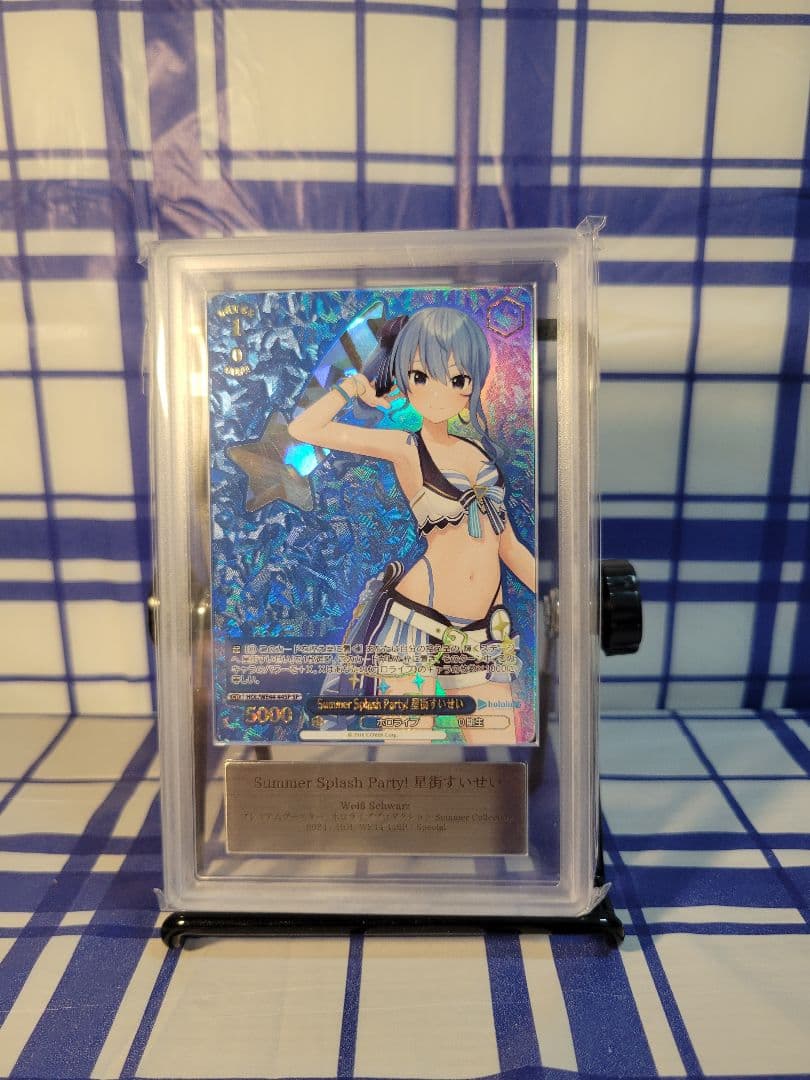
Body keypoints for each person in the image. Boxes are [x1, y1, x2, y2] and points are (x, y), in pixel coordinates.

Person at [288, 306, 535, 745]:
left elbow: (509, 546)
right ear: (404, 378)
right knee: (409, 753)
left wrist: (563, 599)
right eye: (422, 376)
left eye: (457, 379)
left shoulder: (480, 455)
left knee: (502, 754)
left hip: (483, 630)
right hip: (415, 624)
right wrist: (353, 386)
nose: (439, 393)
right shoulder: (406, 447)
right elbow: (304, 428)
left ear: (473, 382)